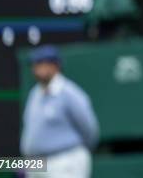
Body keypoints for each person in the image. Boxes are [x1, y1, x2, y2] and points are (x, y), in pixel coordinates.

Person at [20, 45, 99, 178]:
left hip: (65, 162)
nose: (35, 68)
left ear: (54, 66)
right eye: (34, 64)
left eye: (40, 63)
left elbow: (90, 130)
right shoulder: (34, 94)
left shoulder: (70, 93)